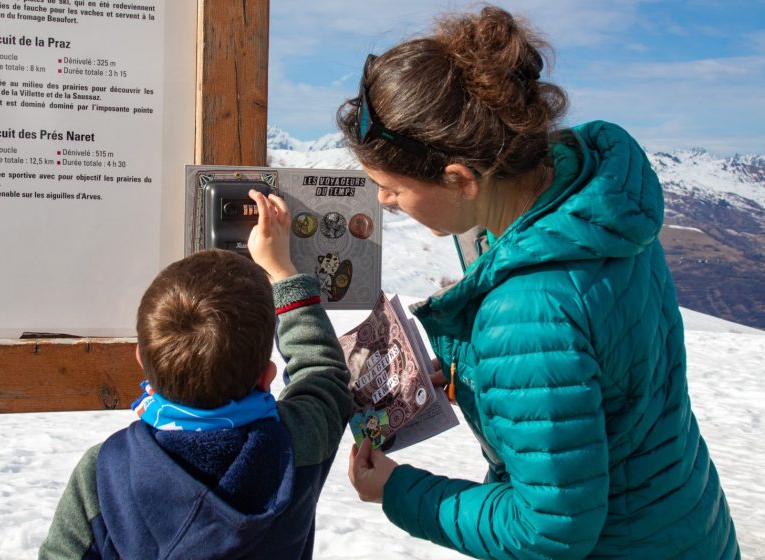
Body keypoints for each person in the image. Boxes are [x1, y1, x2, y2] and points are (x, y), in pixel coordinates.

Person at [340, 5, 739, 559]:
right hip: (686, 521)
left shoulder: (524, 310)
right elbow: (604, 372)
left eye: (391, 187)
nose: (383, 201)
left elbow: (547, 531)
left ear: (460, 179)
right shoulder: (595, 207)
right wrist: (479, 373)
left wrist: (398, 490)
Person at [39, 191, 353, 559]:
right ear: (267, 377)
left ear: (141, 359)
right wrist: (282, 270)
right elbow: (323, 372)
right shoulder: (296, 444)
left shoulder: (105, 473)